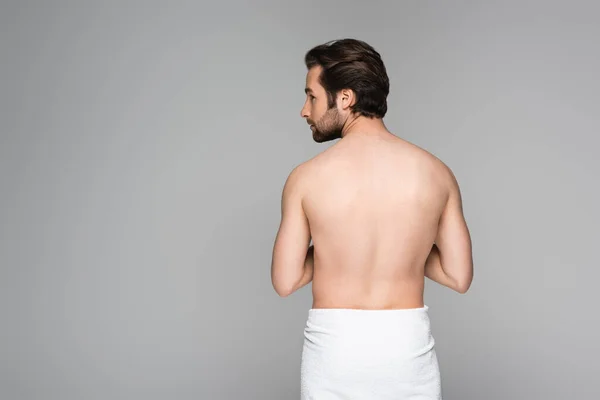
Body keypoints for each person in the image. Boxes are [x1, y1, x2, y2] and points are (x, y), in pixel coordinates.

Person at [270, 38, 473, 399]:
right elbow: (459, 276)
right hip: (407, 352)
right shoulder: (437, 173)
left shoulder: (306, 178)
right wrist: (405, 246)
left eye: (312, 96)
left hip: (334, 352)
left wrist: (338, 247)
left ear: (345, 98)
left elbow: (285, 281)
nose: (305, 110)